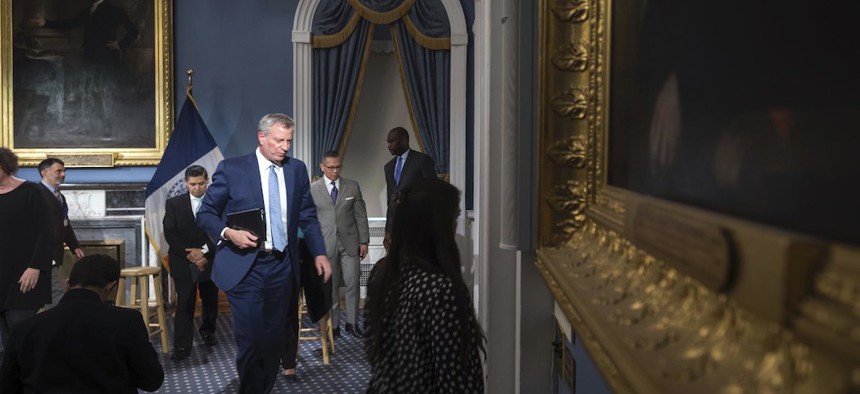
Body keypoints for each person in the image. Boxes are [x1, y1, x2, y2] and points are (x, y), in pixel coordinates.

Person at [196, 113, 332, 394]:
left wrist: (319, 252)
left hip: (283, 267)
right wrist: (228, 233)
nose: (285, 147)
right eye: (279, 140)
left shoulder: (297, 170)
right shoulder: (232, 169)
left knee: (273, 341)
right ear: (262, 137)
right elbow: (206, 213)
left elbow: (307, 215)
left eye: (289, 141)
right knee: (252, 339)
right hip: (246, 267)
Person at [366, 179, 485, 393]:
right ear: (437, 226)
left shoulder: (381, 273)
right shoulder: (442, 290)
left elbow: (373, 351)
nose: (456, 226)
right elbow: (457, 381)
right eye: (455, 217)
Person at [0, 254, 164, 393]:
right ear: (111, 286)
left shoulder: (25, 329)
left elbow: (8, 387)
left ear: (67, 284)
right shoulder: (126, 321)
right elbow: (151, 380)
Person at [0, 148, 53, 363]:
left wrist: (36, 267)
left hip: (24, 274)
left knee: (22, 331)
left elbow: (46, 232)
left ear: (5, 166)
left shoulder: (30, 191)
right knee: (5, 339)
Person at [163, 165, 220, 361]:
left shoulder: (216, 203)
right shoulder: (174, 204)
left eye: (201, 183)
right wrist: (190, 255)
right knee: (185, 302)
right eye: (193, 184)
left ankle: (208, 332)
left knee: (210, 299)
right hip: (182, 259)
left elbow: (219, 232)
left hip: (210, 258)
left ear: (207, 181)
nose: (197, 188)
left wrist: (203, 252)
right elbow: (170, 232)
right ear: (186, 183)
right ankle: (181, 346)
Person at [311, 151, 370, 339]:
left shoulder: (352, 187)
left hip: (350, 243)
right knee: (332, 287)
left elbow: (360, 215)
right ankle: (334, 326)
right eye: (331, 167)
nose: (335, 171)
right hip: (326, 244)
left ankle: (352, 324)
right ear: (322, 167)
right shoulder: (313, 189)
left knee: (353, 283)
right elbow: (309, 219)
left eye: (338, 167)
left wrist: (364, 240)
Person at [37, 158, 85, 311]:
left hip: (54, 255)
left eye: (64, 171)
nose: (63, 174)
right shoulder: (37, 195)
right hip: (43, 256)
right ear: (44, 172)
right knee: (55, 297)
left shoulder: (59, 196)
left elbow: (65, 223)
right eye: (58, 171)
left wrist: (74, 246)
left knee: (52, 296)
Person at [383, 126, 437, 249]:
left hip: (419, 225)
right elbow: (390, 201)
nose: (389, 145)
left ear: (404, 140)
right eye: (388, 142)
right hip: (397, 228)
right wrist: (388, 230)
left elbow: (433, 191)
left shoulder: (422, 160)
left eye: (392, 141)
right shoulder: (389, 167)